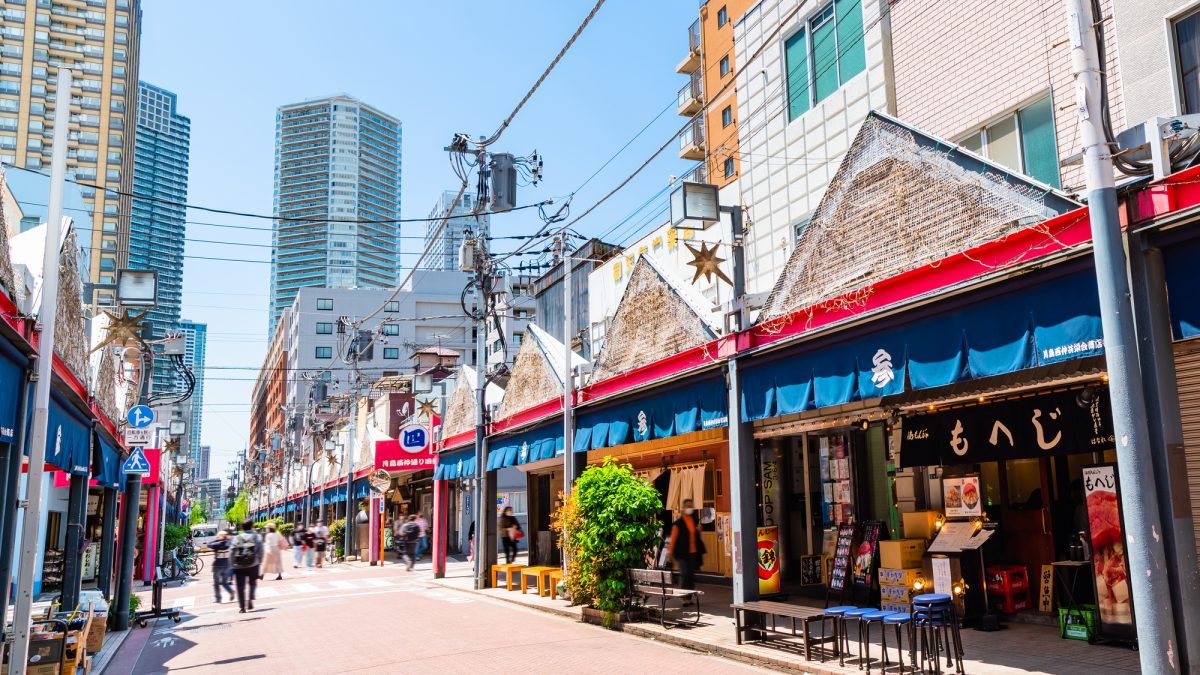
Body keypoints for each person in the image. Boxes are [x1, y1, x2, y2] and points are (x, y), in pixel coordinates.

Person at [668, 499, 706, 591]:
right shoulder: (678, 523)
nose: (690, 508)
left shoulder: (694, 520)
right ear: (684, 508)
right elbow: (673, 539)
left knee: (691, 575)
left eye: (691, 506)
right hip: (681, 553)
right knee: (684, 573)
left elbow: (695, 535)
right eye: (688, 506)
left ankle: (689, 594)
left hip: (693, 552)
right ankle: (683, 594)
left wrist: (698, 530)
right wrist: (670, 553)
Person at [230, 520, 263, 613]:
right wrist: (259, 561)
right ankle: (250, 599)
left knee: (240, 587)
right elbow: (261, 551)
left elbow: (231, 551)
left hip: (239, 565)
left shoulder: (236, 538)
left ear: (242, 528)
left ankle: (242, 607)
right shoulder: (257, 537)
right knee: (253, 583)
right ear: (252, 526)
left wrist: (232, 564)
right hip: (254, 564)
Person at [208, 530, 235, 603]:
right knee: (224, 582)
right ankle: (231, 591)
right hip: (227, 565)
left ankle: (218, 598)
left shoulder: (217, 544)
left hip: (218, 565)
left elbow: (209, 544)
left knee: (216, 583)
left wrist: (217, 540)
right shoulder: (229, 543)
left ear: (220, 536)